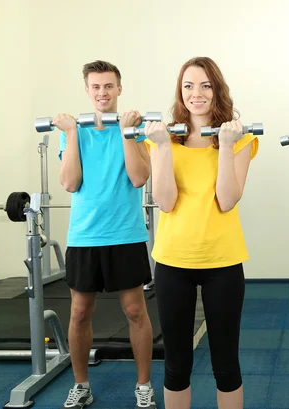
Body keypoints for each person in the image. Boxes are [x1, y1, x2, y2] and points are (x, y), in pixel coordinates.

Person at [141, 56, 258, 409]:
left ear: (217, 89)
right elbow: (165, 201)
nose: (197, 93)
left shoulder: (241, 139)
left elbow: (226, 199)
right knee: (177, 365)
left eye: (206, 85)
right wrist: (162, 147)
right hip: (173, 262)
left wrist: (224, 144)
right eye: (189, 85)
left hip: (222, 261)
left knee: (226, 365)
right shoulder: (163, 140)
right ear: (180, 91)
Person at [54, 60, 157, 409]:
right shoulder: (74, 132)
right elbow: (70, 183)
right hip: (84, 237)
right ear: (87, 90)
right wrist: (70, 133)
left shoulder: (133, 129)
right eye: (96, 87)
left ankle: (143, 386)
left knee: (134, 311)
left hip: (125, 234)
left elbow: (139, 177)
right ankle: (81, 385)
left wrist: (128, 133)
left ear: (119, 88)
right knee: (79, 312)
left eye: (108, 86)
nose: (102, 92)